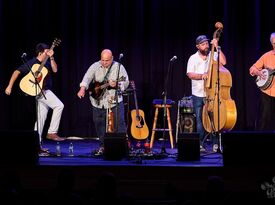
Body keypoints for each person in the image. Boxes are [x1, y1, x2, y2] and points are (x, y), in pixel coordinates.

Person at [5, 42, 65, 153]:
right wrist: (9, 86)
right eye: (46, 52)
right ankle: (52, 132)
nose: (48, 53)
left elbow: (55, 70)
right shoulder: (33, 62)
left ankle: (36, 146)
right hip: (42, 92)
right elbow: (16, 71)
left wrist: (51, 58)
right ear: (41, 52)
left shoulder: (46, 62)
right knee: (59, 105)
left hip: (43, 92)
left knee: (40, 119)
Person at [77, 49, 129, 155]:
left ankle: (121, 147)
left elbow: (125, 81)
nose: (104, 62)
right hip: (98, 102)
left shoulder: (119, 67)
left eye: (107, 60)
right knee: (99, 124)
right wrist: (82, 89)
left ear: (112, 58)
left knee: (119, 124)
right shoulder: (95, 66)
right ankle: (102, 146)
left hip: (115, 101)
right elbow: (87, 78)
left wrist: (118, 84)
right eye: (103, 60)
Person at [186, 35, 227, 152]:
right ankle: (200, 144)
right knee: (200, 119)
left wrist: (217, 47)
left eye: (207, 43)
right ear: (197, 46)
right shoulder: (193, 58)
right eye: (203, 44)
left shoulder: (212, 54)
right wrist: (201, 76)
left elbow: (223, 61)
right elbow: (190, 74)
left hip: (212, 93)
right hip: (198, 93)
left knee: (213, 118)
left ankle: (215, 144)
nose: (206, 46)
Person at [249, 32, 275, 131]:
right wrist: (259, 73)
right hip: (267, 93)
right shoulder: (266, 56)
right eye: (274, 43)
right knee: (264, 120)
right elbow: (252, 69)